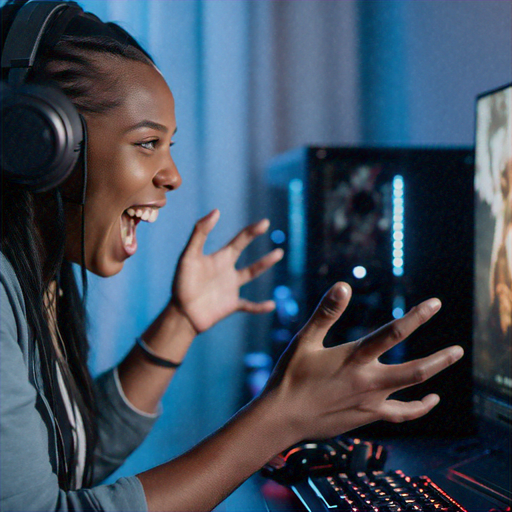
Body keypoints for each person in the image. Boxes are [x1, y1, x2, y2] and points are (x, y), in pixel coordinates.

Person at [0, 1, 465, 511]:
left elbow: (72, 456)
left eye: (169, 145)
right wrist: (280, 417)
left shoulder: (35, 278)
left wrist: (180, 320)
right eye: (148, 142)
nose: (172, 176)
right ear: (38, 141)